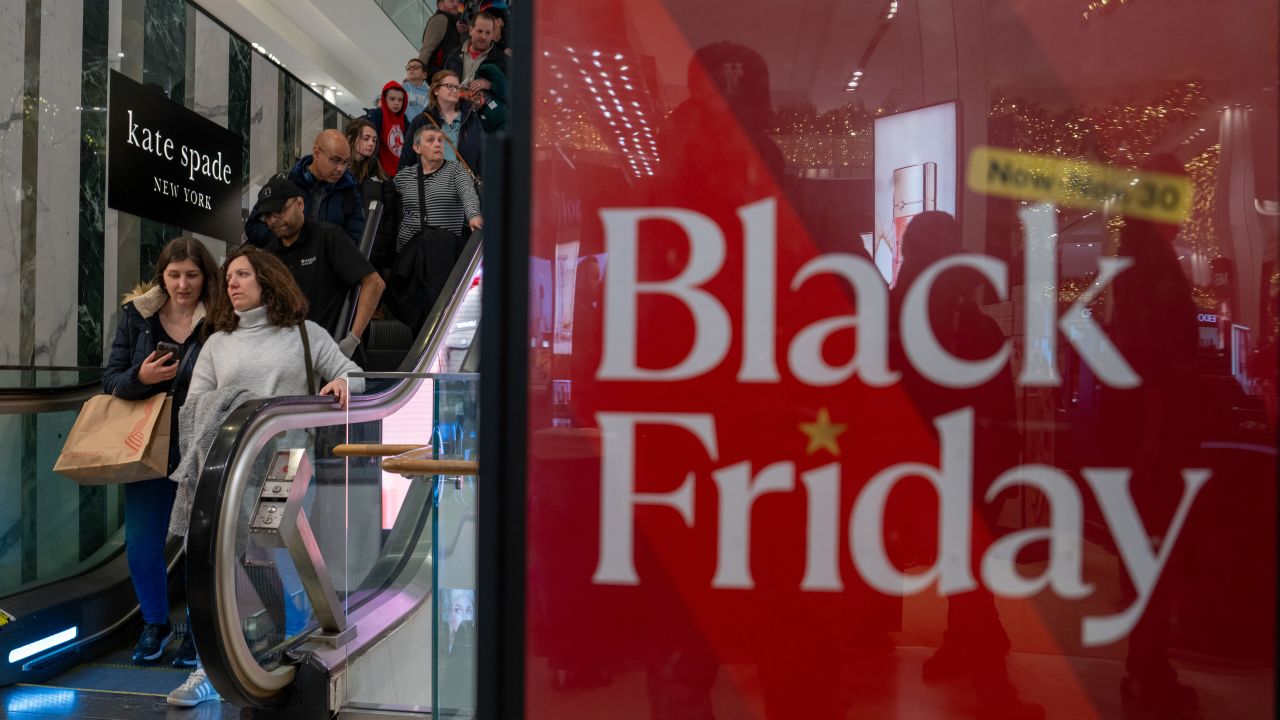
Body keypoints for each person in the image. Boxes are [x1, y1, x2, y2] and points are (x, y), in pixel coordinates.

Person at [166, 246, 363, 708]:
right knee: (226, 566)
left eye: (242, 275)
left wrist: (341, 385)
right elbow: (194, 409)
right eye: (229, 277)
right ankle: (214, 667)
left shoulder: (304, 335)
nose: (231, 283)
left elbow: (354, 374)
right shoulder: (217, 342)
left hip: (286, 467)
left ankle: (286, 647)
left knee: (275, 560)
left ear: (267, 280)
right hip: (230, 472)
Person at [103, 237, 218, 668]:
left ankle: (197, 628)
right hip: (147, 444)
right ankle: (155, 623)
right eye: (174, 275)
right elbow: (110, 380)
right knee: (142, 544)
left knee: (199, 545)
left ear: (205, 276)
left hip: (202, 444)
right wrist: (142, 375)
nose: (183, 285)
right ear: (161, 275)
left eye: (191, 275)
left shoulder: (221, 320)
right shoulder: (138, 316)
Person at [255, 174, 385, 352]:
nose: (272, 221)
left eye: (279, 212)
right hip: (289, 359)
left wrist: (353, 338)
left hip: (335, 354)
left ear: (300, 204)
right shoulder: (269, 256)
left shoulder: (327, 237)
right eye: (267, 216)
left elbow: (374, 283)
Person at [245, 129, 365, 247]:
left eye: (345, 163)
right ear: (317, 153)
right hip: (281, 263)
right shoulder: (285, 182)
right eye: (335, 161)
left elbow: (354, 241)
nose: (341, 169)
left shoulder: (350, 194)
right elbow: (254, 225)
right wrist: (284, 242)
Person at [393, 126, 482, 251]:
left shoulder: (456, 170)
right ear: (417, 147)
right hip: (407, 252)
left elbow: (467, 193)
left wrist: (473, 216)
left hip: (443, 251)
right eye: (430, 140)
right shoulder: (403, 176)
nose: (437, 144)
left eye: (440, 140)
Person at [399, 70, 483, 178]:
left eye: (457, 87)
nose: (454, 90)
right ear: (436, 90)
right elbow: (406, 159)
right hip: (428, 188)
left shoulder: (472, 120)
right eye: (449, 86)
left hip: (462, 189)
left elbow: (483, 159)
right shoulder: (420, 121)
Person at [346, 117, 402, 271]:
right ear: (351, 138)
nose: (371, 143)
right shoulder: (339, 172)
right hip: (346, 249)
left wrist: (384, 240)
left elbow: (391, 215)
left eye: (374, 140)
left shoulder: (382, 176)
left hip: (375, 253)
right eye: (366, 138)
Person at [445, 10, 507, 86]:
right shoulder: (454, 55)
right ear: (471, 30)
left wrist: (490, 85)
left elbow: (512, 91)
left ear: (492, 35)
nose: (483, 37)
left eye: (488, 33)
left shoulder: (503, 61)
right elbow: (442, 82)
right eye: (480, 31)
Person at [365, 81, 410, 178]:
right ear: (384, 99)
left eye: (400, 100)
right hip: (381, 173)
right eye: (392, 99)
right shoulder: (377, 115)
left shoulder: (405, 121)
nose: (396, 103)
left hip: (401, 174)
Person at [419, 0, 464, 77]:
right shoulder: (441, 18)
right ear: (440, 5)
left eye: (457, 2)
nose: (456, 4)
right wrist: (418, 70)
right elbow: (427, 48)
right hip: (434, 77)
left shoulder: (452, 24)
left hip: (441, 77)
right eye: (451, 1)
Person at [402, 57, 431, 123]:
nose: (411, 69)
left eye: (416, 67)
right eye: (408, 68)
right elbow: (381, 98)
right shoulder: (402, 87)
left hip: (418, 129)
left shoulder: (431, 94)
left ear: (424, 75)